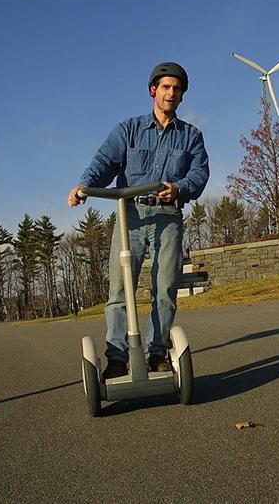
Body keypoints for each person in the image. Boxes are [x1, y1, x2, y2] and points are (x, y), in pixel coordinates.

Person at [67, 62, 209, 379]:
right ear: (153, 91)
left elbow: (199, 174)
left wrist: (180, 187)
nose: (171, 93)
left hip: (167, 216)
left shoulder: (191, 137)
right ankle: (117, 358)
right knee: (120, 289)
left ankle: (157, 354)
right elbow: (104, 162)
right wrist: (84, 185)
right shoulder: (127, 130)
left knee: (165, 287)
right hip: (129, 215)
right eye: (166, 87)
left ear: (182, 96)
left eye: (177, 89)